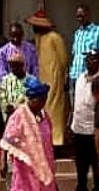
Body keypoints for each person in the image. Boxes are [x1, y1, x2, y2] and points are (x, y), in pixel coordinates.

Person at [1, 76, 73, 191]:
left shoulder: (44, 116)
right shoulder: (19, 116)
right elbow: (8, 141)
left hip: (45, 169)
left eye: (44, 100)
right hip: (26, 171)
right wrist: (4, 164)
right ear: (31, 99)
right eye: (39, 100)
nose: (42, 103)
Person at [26, 10, 68, 155]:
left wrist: (62, 78)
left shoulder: (54, 38)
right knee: (45, 111)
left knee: (55, 111)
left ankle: (58, 143)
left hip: (55, 79)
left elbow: (63, 60)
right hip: (42, 80)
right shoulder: (38, 38)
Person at [69, 50, 99, 191]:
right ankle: (81, 188)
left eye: (93, 60)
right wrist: (70, 122)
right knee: (80, 162)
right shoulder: (80, 79)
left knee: (96, 162)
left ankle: (98, 189)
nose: (89, 62)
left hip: (93, 129)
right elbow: (75, 102)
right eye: (88, 59)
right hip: (78, 127)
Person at [69, 5, 99, 105]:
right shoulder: (77, 33)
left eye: (82, 16)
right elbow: (75, 55)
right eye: (78, 16)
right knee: (75, 106)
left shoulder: (98, 31)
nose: (80, 19)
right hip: (75, 75)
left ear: (88, 15)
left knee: (90, 104)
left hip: (89, 77)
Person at [0, 51, 34, 120]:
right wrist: (7, 109)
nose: (13, 69)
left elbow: (32, 100)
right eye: (11, 66)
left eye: (16, 66)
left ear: (22, 65)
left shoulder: (31, 80)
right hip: (11, 118)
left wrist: (16, 107)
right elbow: (2, 99)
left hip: (27, 118)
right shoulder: (5, 80)